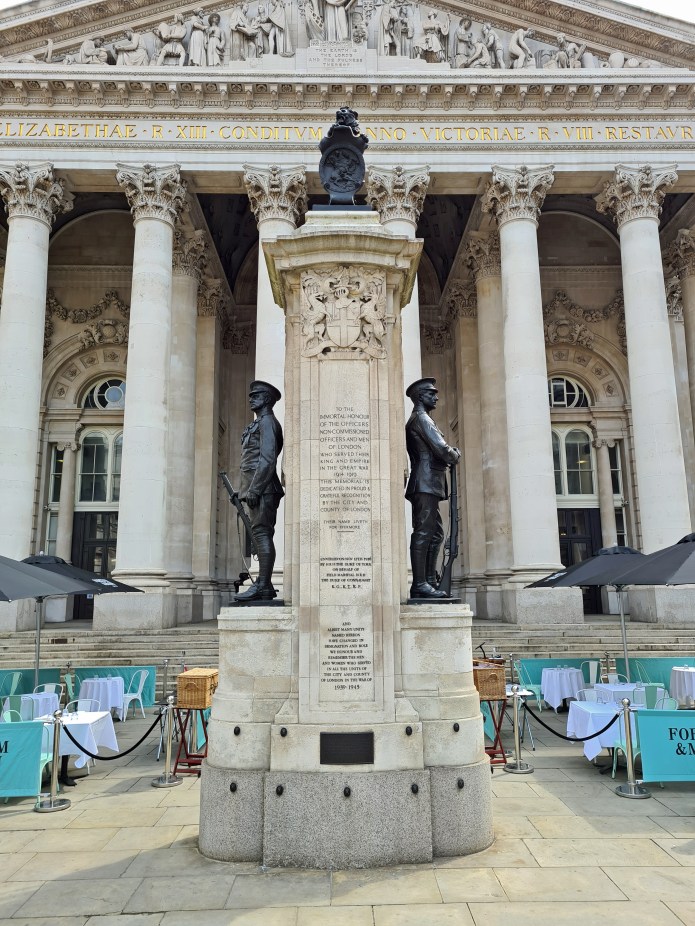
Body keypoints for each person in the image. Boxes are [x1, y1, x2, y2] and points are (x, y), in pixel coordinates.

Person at [405, 378, 460, 599]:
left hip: (430, 481)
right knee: (425, 531)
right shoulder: (422, 419)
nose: (436, 397)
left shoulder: (423, 419)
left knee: (435, 533)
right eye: (431, 393)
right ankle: (420, 583)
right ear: (420, 396)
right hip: (425, 481)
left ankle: (428, 580)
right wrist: (454, 454)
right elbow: (441, 449)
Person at [234, 381, 284, 602]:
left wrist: (254, 489)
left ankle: (262, 584)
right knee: (259, 534)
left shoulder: (267, 423)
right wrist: (241, 491)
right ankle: (266, 585)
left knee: (262, 534)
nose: (251, 398)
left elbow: (267, 460)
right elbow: (249, 462)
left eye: (256, 395)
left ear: (267, 399)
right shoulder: (258, 424)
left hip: (264, 489)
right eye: (251, 395)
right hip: (255, 488)